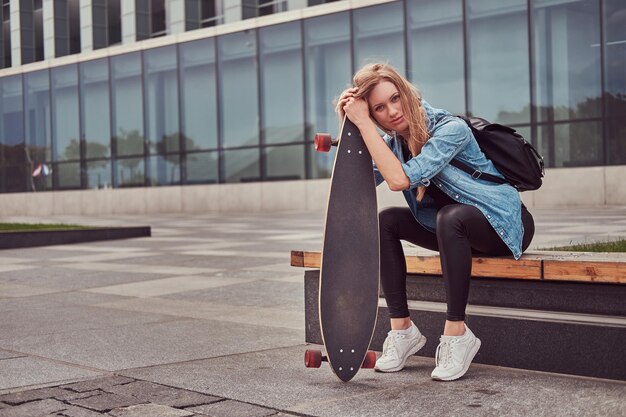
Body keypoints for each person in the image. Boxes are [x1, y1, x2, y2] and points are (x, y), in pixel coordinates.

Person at [335, 63, 534, 381]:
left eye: (395, 98)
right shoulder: (395, 145)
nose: (393, 111)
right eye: (379, 109)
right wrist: (350, 124)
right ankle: (402, 329)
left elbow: (399, 179)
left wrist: (365, 124)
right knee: (387, 221)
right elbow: (356, 180)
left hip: (504, 224)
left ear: (406, 92)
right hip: (454, 230)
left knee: (449, 216)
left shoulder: (449, 129)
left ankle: (458, 333)